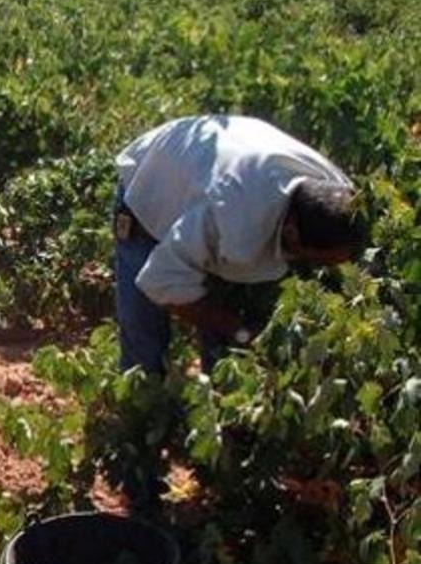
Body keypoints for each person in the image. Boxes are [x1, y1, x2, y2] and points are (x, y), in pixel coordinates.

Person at [113, 115, 365, 377]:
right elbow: (159, 281)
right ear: (292, 235)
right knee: (145, 337)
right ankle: (141, 403)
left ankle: (218, 390)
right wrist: (239, 330)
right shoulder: (229, 215)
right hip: (156, 175)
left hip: (222, 159)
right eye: (319, 261)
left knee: (228, 331)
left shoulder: (338, 192)